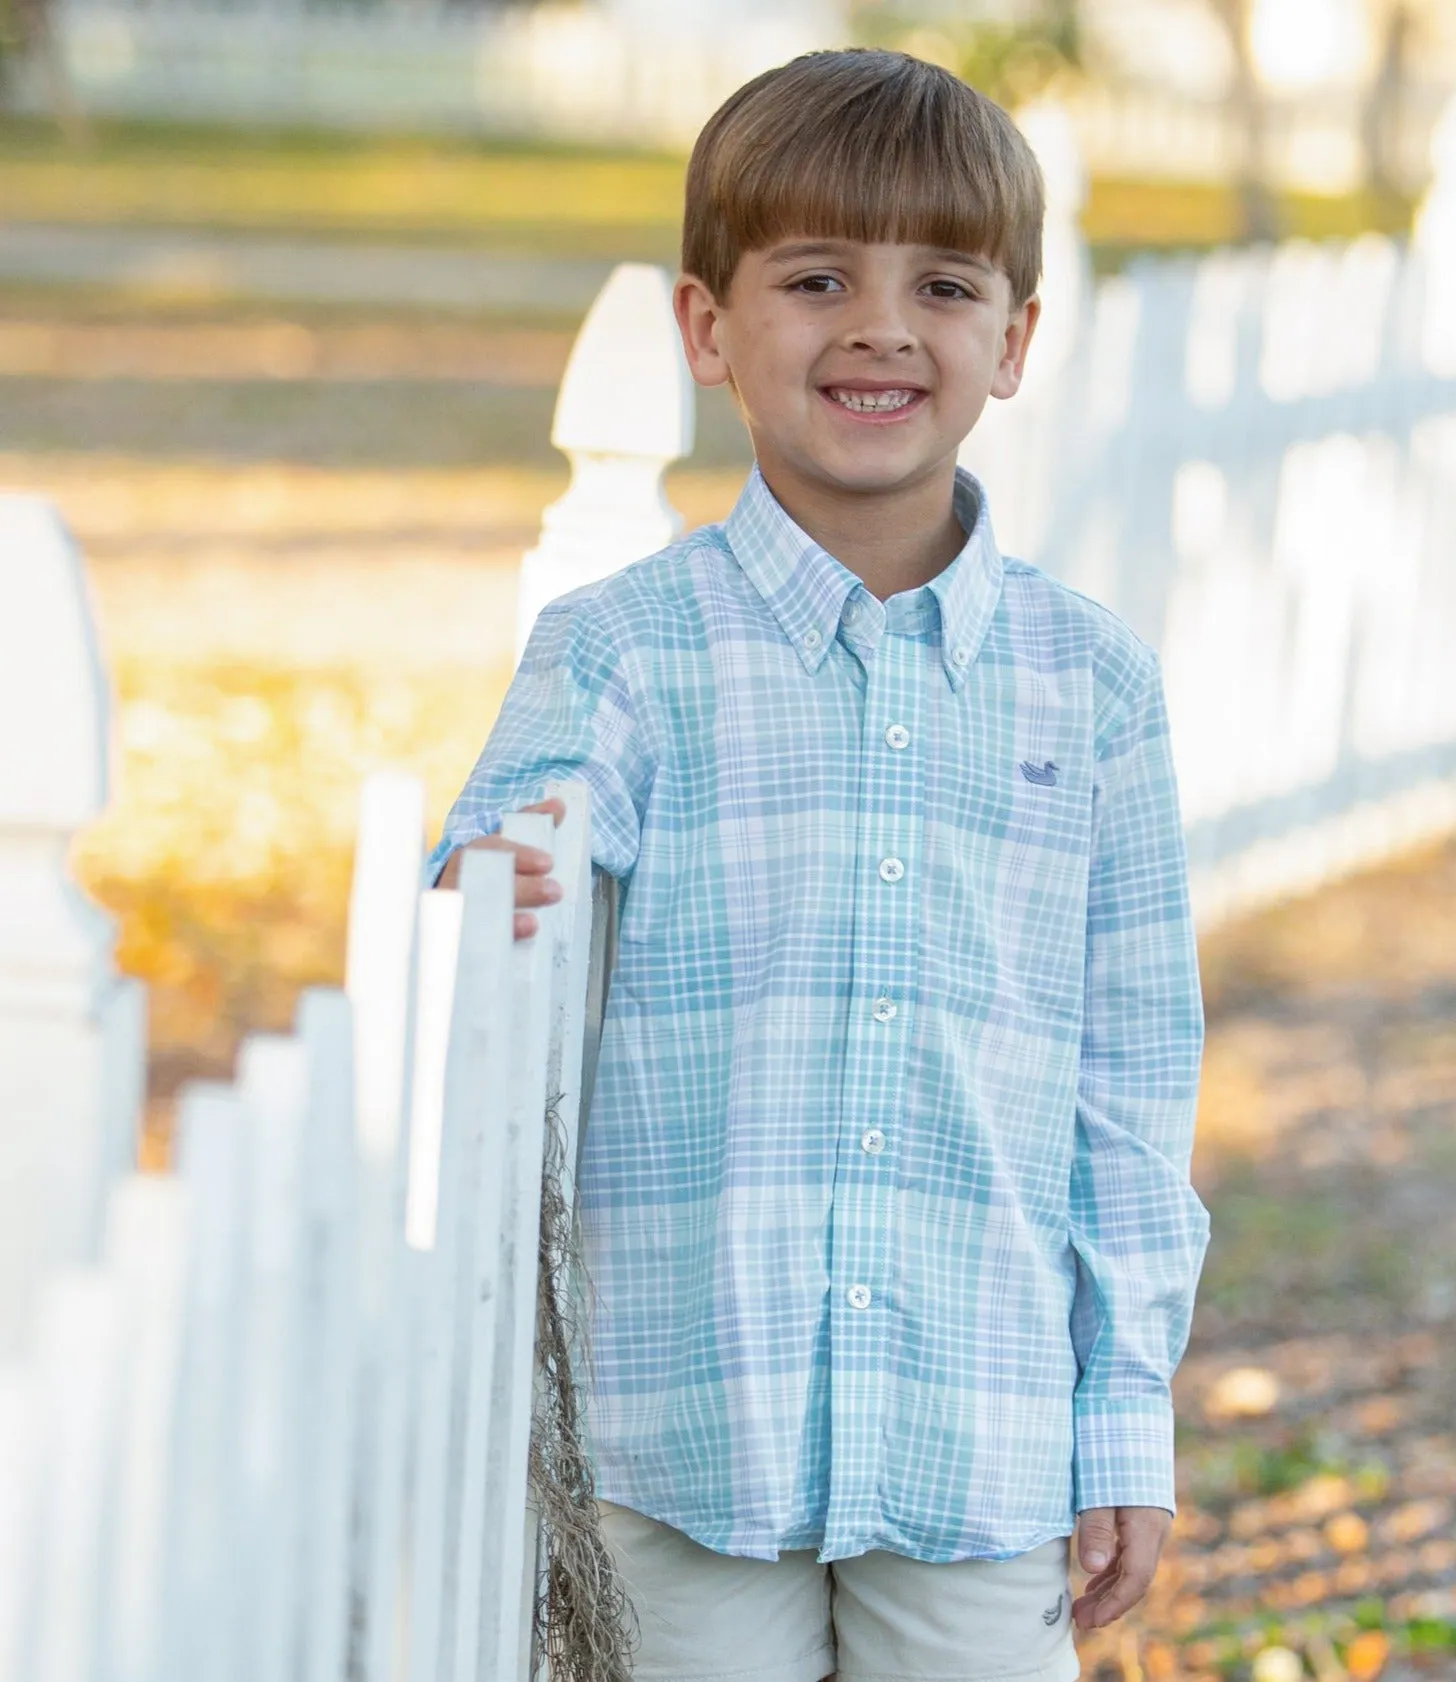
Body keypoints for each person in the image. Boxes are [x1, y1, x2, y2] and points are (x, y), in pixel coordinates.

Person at [429, 48, 1208, 1682]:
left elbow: (1130, 1080)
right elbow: (513, 848)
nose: (877, 324)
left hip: (976, 1423)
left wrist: (1120, 1408)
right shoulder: (627, 649)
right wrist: (514, 855)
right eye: (812, 277)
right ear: (708, 329)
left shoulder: (1093, 685)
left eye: (940, 281)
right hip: (690, 1418)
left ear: (1014, 338)